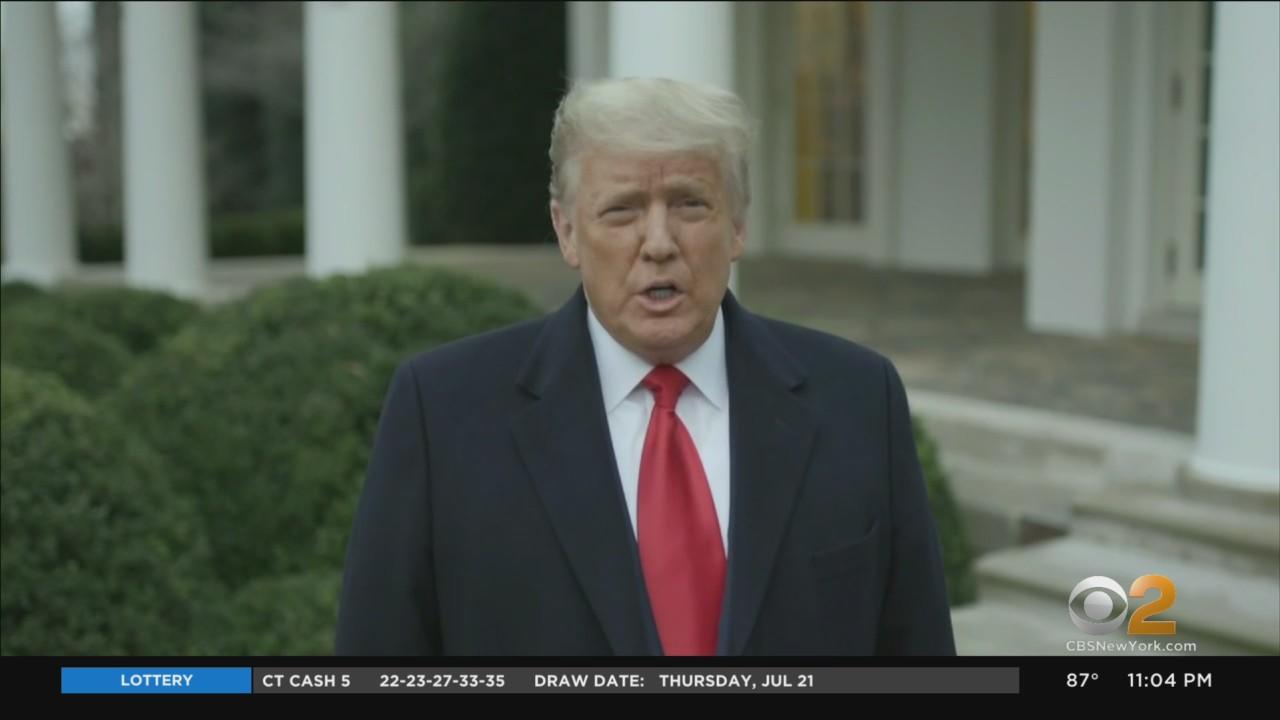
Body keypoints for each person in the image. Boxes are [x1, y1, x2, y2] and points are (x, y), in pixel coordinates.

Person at [335, 77, 956, 656]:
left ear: (737, 226)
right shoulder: (443, 412)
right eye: (622, 210)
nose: (659, 242)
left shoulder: (857, 398)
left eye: (690, 205)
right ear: (567, 232)